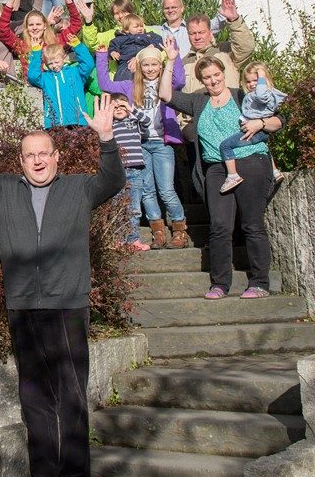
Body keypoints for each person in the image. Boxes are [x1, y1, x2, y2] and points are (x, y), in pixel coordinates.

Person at [0, 93, 124, 477]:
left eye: (43, 154)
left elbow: (114, 180)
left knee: (70, 394)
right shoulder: (1, 190)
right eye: (29, 155)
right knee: (33, 395)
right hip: (23, 305)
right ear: (20, 161)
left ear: (56, 158)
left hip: (67, 303)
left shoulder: (80, 188)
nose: (37, 161)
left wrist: (106, 138)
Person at [158, 38, 283, 299]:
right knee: (219, 226)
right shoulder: (198, 102)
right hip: (217, 168)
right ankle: (220, 283)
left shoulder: (241, 94)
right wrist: (170, 60)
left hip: (251, 162)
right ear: (201, 80)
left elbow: (278, 120)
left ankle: (260, 282)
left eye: (216, 74)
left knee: (251, 224)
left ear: (223, 74)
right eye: (207, 77)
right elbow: (165, 95)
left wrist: (260, 124)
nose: (213, 80)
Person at [95, 45, 188, 248]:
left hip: (163, 142)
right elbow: (104, 83)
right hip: (141, 144)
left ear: (160, 65)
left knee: (166, 189)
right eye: (146, 64)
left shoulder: (166, 82)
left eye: (154, 64)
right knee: (147, 191)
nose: (150, 68)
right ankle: (158, 231)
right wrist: (102, 56)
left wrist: (174, 57)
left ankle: (180, 229)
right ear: (139, 66)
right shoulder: (130, 85)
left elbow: (180, 80)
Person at [219, 62, 287, 193]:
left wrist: (261, 76)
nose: (252, 84)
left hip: (257, 131)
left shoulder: (262, 94)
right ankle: (275, 171)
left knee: (225, 146)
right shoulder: (256, 95)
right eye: (248, 81)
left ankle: (232, 176)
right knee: (264, 146)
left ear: (263, 79)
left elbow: (261, 95)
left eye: (255, 80)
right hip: (261, 132)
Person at [0, 0, 82, 76]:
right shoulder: (22, 46)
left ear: (45, 26)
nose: (34, 28)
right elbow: (3, 31)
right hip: (31, 89)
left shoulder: (55, 43)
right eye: (31, 25)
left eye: (38, 24)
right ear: (26, 28)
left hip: (52, 87)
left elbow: (76, 25)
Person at [181, 0, 255, 93]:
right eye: (193, 33)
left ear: (210, 33)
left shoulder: (226, 51)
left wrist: (234, 20)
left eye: (201, 32)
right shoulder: (183, 62)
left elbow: (246, 47)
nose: (197, 37)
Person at [109, 92, 153, 250]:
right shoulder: (111, 125)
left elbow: (147, 120)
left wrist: (129, 107)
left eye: (122, 106)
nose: (119, 109)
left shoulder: (134, 121)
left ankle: (134, 240)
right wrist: (109, 111)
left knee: (134, 208)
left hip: (135, 171)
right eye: (116, 107)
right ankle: (119, 240)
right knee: (118, 207)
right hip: (117, 172)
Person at [151, 0, 231, 56]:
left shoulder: (194, 28)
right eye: (167, 8)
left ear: (182, 8)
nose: (170, 10)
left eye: (174, 7)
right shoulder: (156, 31)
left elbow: (221, 20)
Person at [27, 40, 94, 129]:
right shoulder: (45, 77)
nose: (54, 66)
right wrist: (36, 53)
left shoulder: (75, 72)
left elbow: (88, 64)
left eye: (57, 62)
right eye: (50, 63)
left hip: (77, 121)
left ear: (64, 58)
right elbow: (33, 76)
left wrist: (78, 46)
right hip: (54, 123)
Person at [106, 14, 164, 81]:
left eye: (141, 26)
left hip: (145, 60)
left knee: (154, 72)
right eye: (136, 27)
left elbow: (159, 39)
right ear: (126, 29)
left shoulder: (148, 35)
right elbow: (112, 46)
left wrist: (152, 45)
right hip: (126, 62)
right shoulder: (120, 39)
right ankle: (122, 89)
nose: (140, 29)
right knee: (123, 74)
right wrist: (113, 52)